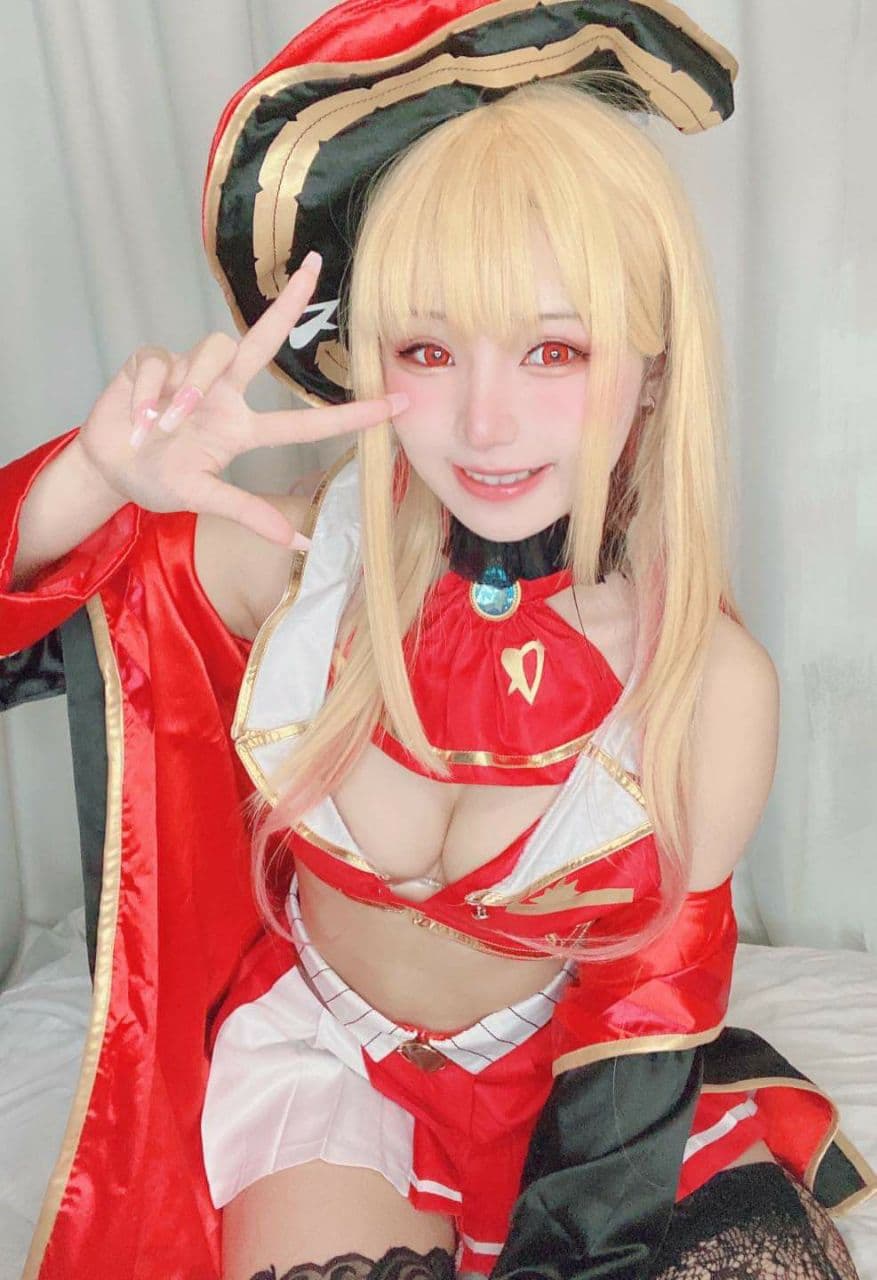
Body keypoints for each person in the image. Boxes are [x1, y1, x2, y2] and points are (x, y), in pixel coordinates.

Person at [0, 2, 873, 1278]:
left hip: (579, 1090)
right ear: (365, 359)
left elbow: (641, 1006)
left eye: (553, 348)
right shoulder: (294, 563)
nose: (483, 420)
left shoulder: (705, 685)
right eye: (427, 346)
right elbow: (26, 639)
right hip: (326, 1075)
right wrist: (93, 478)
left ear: (650, 365)